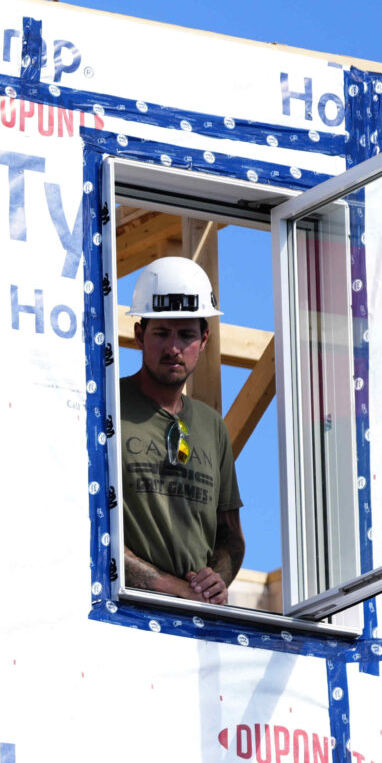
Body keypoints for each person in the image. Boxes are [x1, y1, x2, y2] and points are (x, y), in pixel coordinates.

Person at [118, 254, 244, 605]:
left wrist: (217, 579)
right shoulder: (108, 408)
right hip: (127, 614)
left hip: (198, 623)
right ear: (139, 334)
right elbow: (89, 528)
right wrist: (174, 588)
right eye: (161, 333)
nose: (173, 348)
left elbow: (231, 539)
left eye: (186, 335)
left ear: (204, 340)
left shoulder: (211, 427)